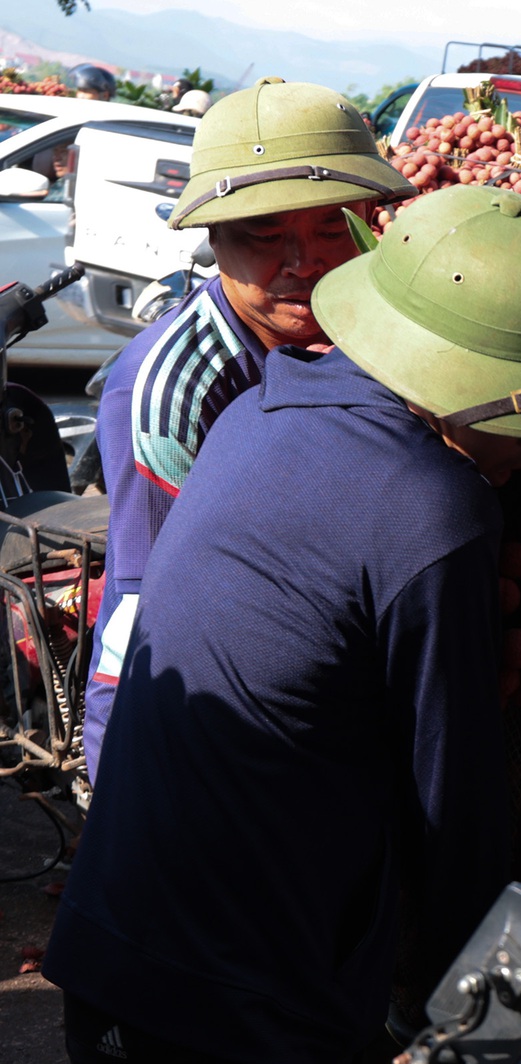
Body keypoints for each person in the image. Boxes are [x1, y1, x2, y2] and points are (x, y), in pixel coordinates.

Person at [44, 185, 521, 1064]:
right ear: (474, 393)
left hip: (142, 976)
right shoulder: (438, 513)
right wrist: (489, 1047)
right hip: (215, 1021)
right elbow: (451, 816)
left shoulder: (266, 407)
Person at [82, 77, 411, 781]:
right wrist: (126, 802)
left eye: (333, 227)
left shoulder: (377, 339)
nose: (305, 262)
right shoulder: (174, 391)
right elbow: (146, 626)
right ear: (215, 239)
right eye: (266, 237)